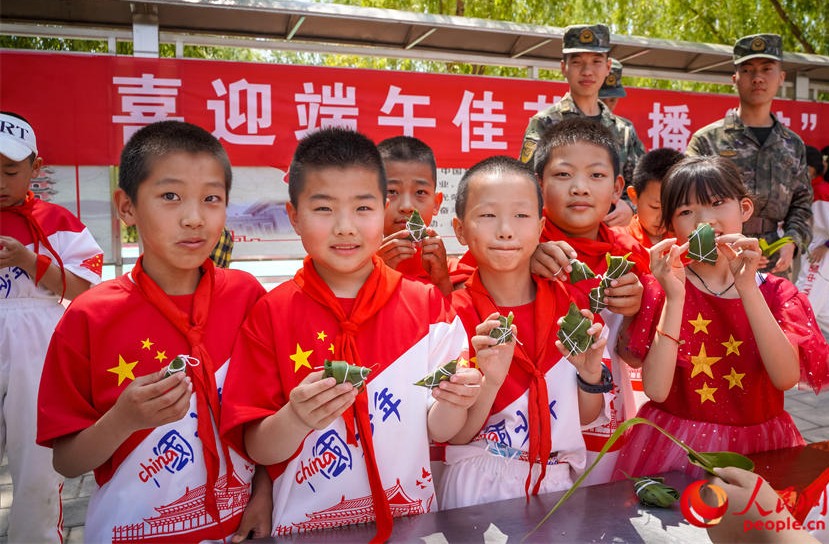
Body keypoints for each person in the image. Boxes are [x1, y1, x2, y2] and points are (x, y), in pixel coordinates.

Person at [220, 127, 481, 541]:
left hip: (411, 525)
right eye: (324, 209)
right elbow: (257, 447)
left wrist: (456, 400)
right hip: (303, 529)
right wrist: (296, 417)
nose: (345, 227)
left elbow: (440, 430)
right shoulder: (271, 314)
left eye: (363, 208)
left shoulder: (428, 305)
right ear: (294, 215)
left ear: (383, 208)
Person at [36, 121, 271, 542]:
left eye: (211, 199)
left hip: (240, 527)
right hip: (132, 530)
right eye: (170, 197)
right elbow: (67, 461)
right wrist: (123, 420)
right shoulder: (90, 316)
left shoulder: (248, 296)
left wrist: (265, 493)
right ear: (126, 207)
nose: (194, 217)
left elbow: (270, 415)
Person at [615, 156, 829, 479]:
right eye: (685, 211)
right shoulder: (663, 288)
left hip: (761, 446)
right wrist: (675, 295)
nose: (704, 220)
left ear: (745, 209)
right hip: (677, 446)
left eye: (718, 203)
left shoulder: (778, 293)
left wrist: (748, 288)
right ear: (670, 227)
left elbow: (785, 378)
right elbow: (656, 390)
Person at [438, 156, 611, 509]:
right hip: (478, 483)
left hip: (557, 484)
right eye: (487, 216)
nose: (505, 230)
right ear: (459, 229)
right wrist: (490, 380)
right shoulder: (452, 314)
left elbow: (588, 416)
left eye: (521, 216)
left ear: (540, 226)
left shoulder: (572, 307)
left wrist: (590, 374)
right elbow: (456, 434)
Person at [527, 117, 659, 484]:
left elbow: (638, 350)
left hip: (603, 419)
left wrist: (637, 309)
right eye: (564, 175)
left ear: (618, 188)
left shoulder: (632, 255)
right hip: (528, 426)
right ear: (539, 185)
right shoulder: (517, 243)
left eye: (596, 176)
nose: (580, 189)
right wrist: (518, 263)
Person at [0, 111, 103, 543]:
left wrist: (28, 259)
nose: (0, 181)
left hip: (38, 341)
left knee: (36, 463)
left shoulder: (59, 222)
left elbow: (85, 288)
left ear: (35, 168)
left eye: (9, 170)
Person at [686, 34, 812, 276]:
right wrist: (719, 241)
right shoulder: (707, 140)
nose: (758, 78)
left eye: (767, 69)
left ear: (781, 77)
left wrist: (791, 241)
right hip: (718, 258)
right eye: (747, 70)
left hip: (773, 262)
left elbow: (802, 204)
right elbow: (688, 203)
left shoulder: (792, 144)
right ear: (735, 79)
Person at [519, 24, 645, 227]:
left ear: (607, 67)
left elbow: (641, 185)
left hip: (612, 239)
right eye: (577, 62)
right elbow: (526, 186)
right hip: (558, 240)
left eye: (596, 62)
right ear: (563, 67)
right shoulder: (545, 123)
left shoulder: (624, 131)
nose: (587, 71)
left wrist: (630, 207)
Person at [377, 135, 459, 296]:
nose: (407, 207)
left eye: (420, 192)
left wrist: (442, 280)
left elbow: (455, 320)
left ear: (436, 203)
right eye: (391, 191)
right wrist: (375, 274)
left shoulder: (453, 271)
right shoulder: (356, 268)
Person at [794, 146, 829, 341]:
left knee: (804, 305)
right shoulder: (812, 189)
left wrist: (825, 245)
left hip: (822, 253)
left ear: (809, 169)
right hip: (817, 251)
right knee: (825, 313)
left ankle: (793, 352)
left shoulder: (822, 191)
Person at [616, 147, 684, 248]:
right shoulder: (617, 242)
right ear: (634, 195)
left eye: (672, 208)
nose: (662, 218)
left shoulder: (689, 242)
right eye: (655, 207)